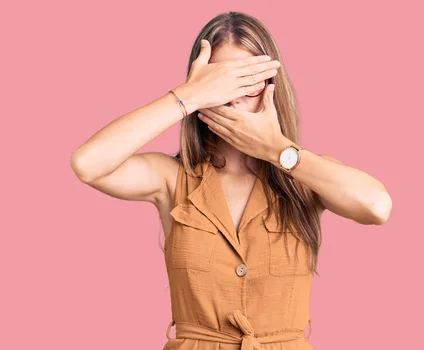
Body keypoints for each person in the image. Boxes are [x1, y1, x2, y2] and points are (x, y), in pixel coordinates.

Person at [70, 11, 392, 350]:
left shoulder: (304, 175)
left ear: (271, 85)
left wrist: (279, 149)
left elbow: (376, 206)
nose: (235, 97)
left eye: (247, 79)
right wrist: (186, 97)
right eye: (223, 82)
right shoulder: (172, 178)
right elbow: (88, 164)